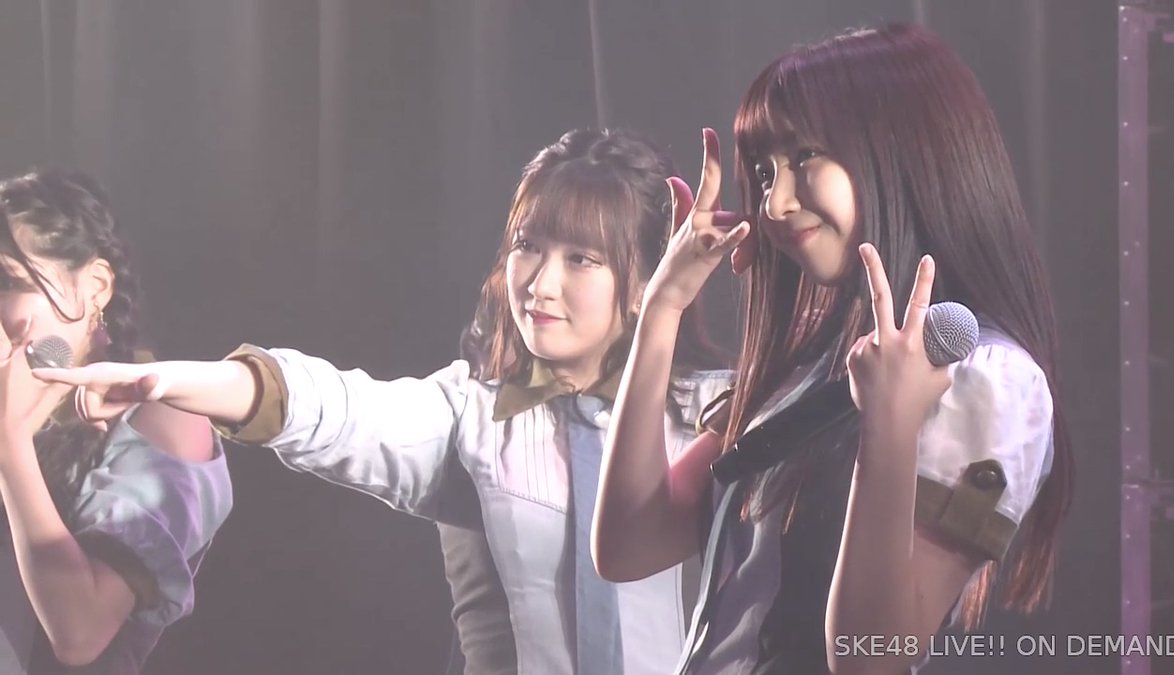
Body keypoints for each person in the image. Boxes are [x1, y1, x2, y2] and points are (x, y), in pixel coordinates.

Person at [37, 129, 732, 674]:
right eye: (528, 246)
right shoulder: (472, 418)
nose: (540, 284)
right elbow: (330, 409)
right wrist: (172, 382)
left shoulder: (718, 413)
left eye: (581, 258)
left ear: (647, 278)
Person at [593, 24, 1073, 674]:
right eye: (765, 172)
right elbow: (630, 543)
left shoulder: (985, 378)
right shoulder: (817, 363)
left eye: (807, 156)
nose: (775, 202)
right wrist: (663, 307)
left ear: (907, 152)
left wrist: (891, 425)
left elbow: (869, 660)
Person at [0, 169, 232, 673]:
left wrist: (8, 442)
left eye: (10, 282)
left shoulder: (164, 417)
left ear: (97, 286)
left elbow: (80, 632)